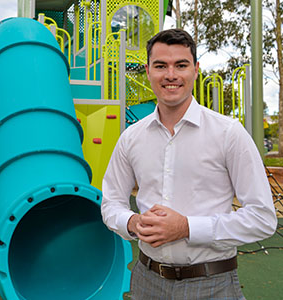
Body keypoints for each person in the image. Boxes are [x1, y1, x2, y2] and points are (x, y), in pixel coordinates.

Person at [101, 29, 277, 300]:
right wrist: (133, 222)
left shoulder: (228, 133)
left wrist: (187, 228)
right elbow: (111, 203)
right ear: (148, 71)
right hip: (146, 281)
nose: (170, 75)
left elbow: (262, 219)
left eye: (180, 65)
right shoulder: (131, 138)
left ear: (195, 70)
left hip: (212, 283)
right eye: (161, 66)